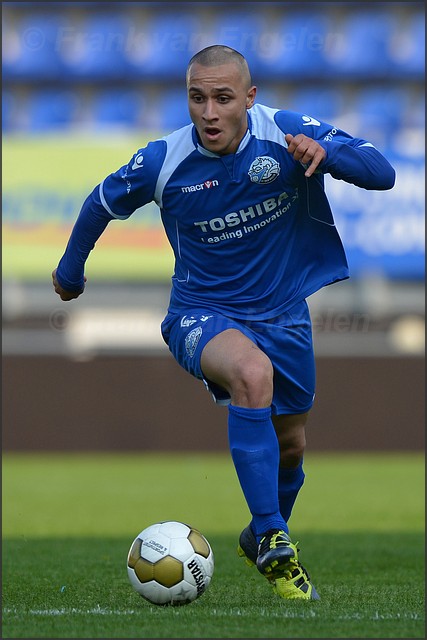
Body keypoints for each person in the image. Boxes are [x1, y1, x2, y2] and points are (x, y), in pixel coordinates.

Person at [52, 45, 395, 600]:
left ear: (249, 99)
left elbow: (383, 174)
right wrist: (71, 272)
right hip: (199, 313)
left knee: (292, 446)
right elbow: (100, 201)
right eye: (197, 98)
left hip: (284, 314)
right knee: (251, 376)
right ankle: (273, 538)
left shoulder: (283, 133)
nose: (208, 112)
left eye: (222, 98)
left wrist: (327, 152)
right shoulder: (164, 158)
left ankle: (258, 530)